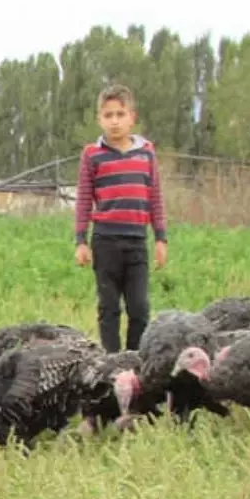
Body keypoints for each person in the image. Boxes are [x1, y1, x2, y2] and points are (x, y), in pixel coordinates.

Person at [73, 83, 168, 353]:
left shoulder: (146, 153)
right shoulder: (92, 155)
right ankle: (111, 363)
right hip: (105, 241)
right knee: (109, 307)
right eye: (108, 115)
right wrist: (80, 240)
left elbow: (155, 199)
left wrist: (161, 238)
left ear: (132, 117)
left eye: (120, 114)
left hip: (136, 242)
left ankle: (134, 359)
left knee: (139, 307)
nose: (114, 121)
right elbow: (83, 200)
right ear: (99, 119)